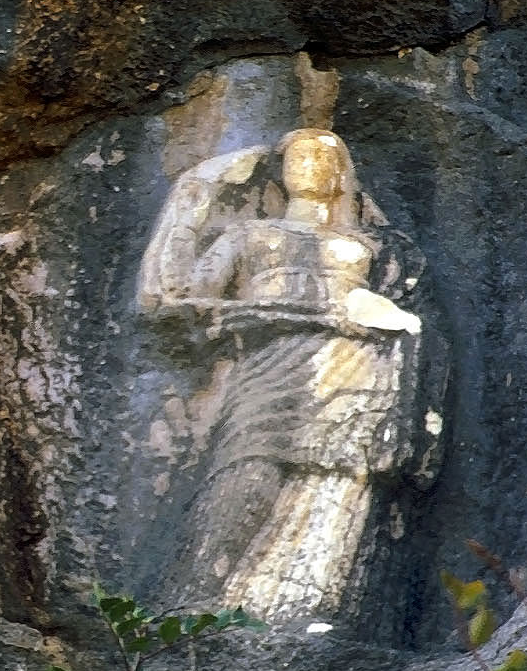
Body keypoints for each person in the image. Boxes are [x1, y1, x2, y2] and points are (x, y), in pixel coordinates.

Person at [139, 129, 440, 622]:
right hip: (272, 364)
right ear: (279, 172)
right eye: (297, 157)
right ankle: (189, 602)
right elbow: (178, 300)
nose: (309, 165)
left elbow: (410, 318)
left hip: (356, 367)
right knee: (247, 472)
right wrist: (198, 189)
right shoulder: (250, 236)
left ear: (343, 172)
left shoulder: (372, 247)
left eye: (323, 157)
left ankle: (306, 611)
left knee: (341, 477)